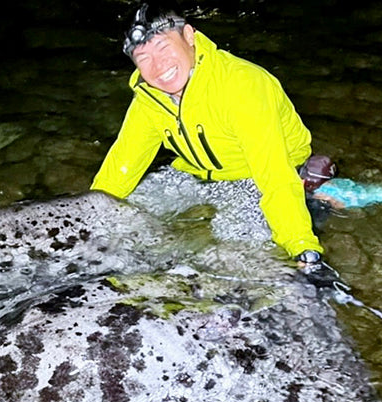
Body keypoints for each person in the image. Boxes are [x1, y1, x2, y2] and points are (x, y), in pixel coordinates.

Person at [92, 5, 327, 268]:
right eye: (143, 58)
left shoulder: (243, 85)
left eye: (163, 47)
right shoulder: (150, 100)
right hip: (199, 174)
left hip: (254, 177)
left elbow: (274, 176)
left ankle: (316, 199)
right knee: (121, 218)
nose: (158, 67)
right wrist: (87, 218)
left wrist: (302, 246)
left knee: (237, 256)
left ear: (189, 36)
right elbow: (120, 167)